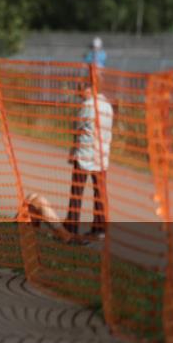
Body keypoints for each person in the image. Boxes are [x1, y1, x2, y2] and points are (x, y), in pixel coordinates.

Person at [65, 82, 114, 237]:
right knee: (99, 193)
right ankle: (100, 229)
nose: (80, 94)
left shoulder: (88, 105)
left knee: (76, 193)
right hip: (102, 157)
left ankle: (71, 227)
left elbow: (76, 127)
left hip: (85, 156)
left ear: (90, 89)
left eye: (81, 90)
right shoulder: (108, 106)